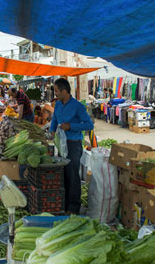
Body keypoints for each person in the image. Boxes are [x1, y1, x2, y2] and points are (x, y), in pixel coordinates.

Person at [50, 78, 94, 214]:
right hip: (60, 143)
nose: (55, 94)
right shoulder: (57, 104)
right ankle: (64, 204)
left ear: (64, 91)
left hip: (73, 144)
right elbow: (54, 119)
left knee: (73, 175)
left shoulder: (78, 106)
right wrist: (52, 130)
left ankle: (74, 207)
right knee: (63, 174)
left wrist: (71, 126)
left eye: (56, 91)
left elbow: (89, 125)